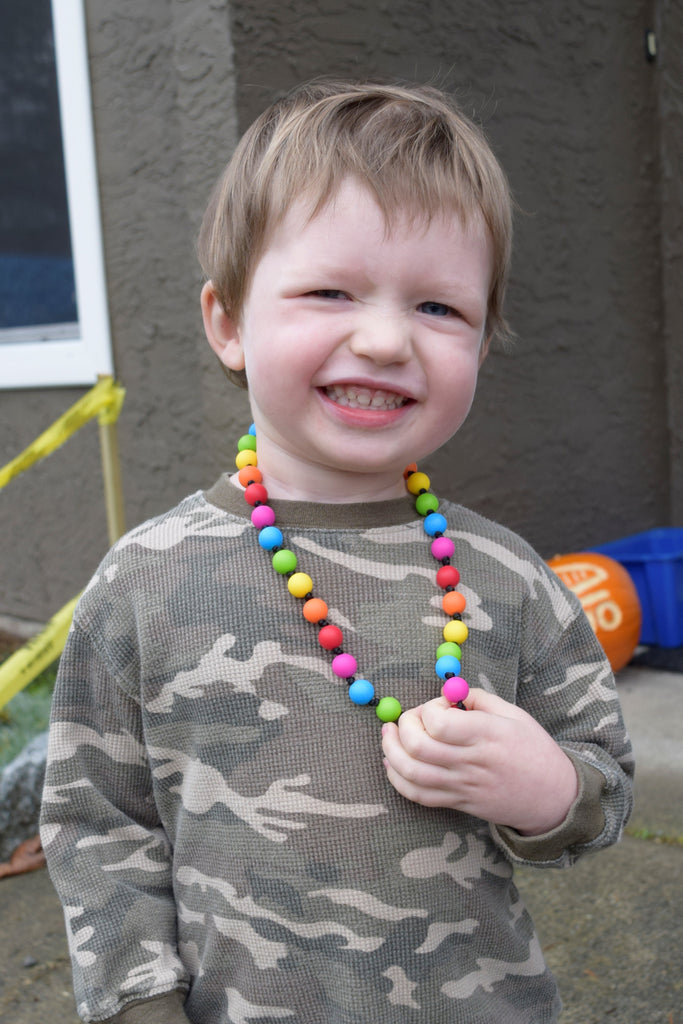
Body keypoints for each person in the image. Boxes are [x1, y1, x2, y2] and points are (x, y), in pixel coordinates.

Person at [40, 79, 634, 1024]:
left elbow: (602, 785)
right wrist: (138, 1005)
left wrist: (547, 787)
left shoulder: (511, 580)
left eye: (440, 308)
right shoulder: (147, 579)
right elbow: (96, 823)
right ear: (229, 322)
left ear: (483, 342)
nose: (387, 338)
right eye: (329, 291)